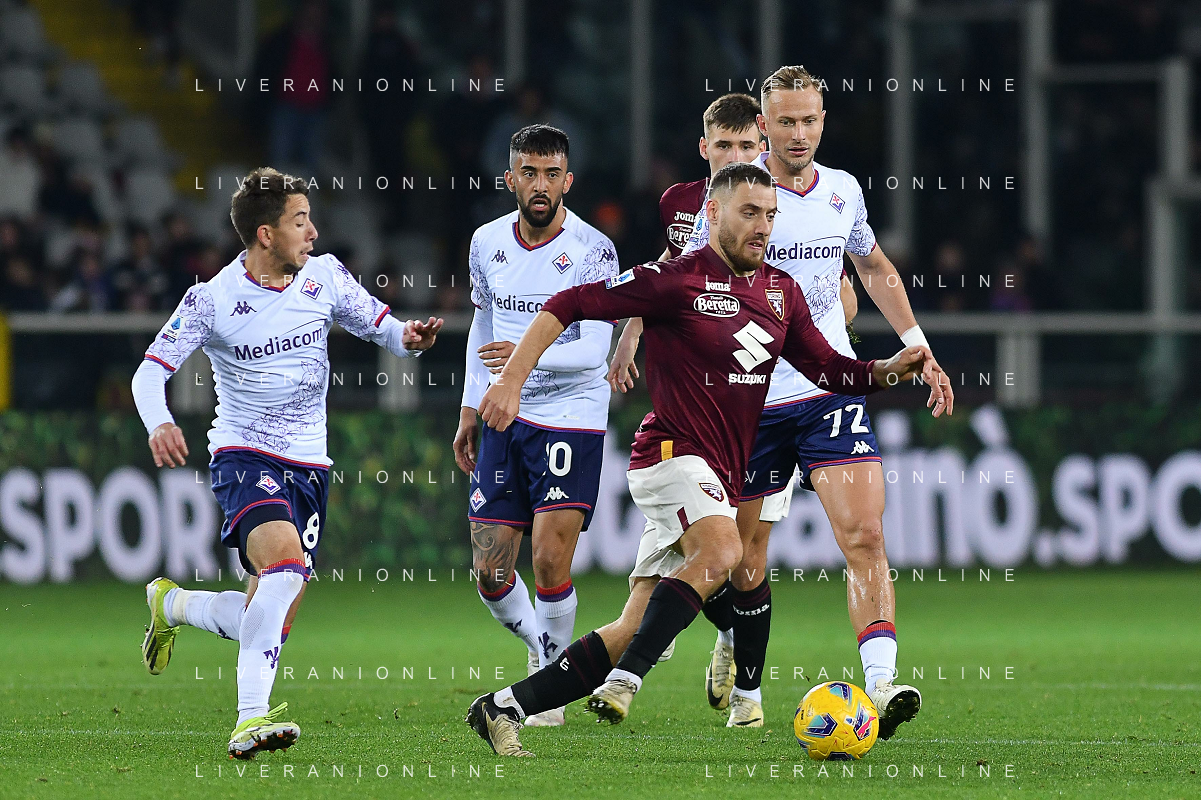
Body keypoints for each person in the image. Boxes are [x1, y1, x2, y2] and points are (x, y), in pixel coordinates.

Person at [465, 161, 946, 756]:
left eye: (770, 215)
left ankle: (504, 707)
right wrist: (512, 380)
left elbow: (827, 369)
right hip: (669, 454)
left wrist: (886, 370)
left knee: (633, 624)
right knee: (724, 551)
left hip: (717, 473)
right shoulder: (674, 280)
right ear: (713, 213)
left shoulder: (780, 292)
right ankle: (631, 677)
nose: (763, 226)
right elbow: (567, 303)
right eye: (750, 213)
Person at [614, 65, 954, 733]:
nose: (799, 134)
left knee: (864, 534)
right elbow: (672, 280)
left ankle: (881, 685)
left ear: (823, 121)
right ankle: (731, 645)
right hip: (748, 405)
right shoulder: (727, 203)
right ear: (762, 126)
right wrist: (636, 339)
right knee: (739, 564)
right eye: (786, 122)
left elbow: (872, 266)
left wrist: (918, 345)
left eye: (810, 120)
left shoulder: (843, 191)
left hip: (828, 392)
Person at [134, 167, 442, 759]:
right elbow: (149, 373)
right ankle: (250, 719)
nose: (313, 231)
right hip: (244, 454)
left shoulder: (324, 276)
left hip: (310, 465)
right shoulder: (212, 299)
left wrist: (410, 337)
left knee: (270, 612)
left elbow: (380, 325)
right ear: (266, 234)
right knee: (283, 566)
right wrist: (161, 422)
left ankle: (173, 604)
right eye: (300, 221)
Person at [608, 91, 861, 717]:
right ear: (705, 149)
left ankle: (742, 691)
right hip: (695, 417)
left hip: (766, 408)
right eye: (724, 146)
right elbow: (665, 274)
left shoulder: (779, 207)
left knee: (744, 558)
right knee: (688, 573)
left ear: (763, 147)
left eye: (748, 145)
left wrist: (823, 320)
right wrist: (632, 331)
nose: (737, 156)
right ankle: (703, 638)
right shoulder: (684, 206)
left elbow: (835, 282)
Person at [452, 125, 619, 727]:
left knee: (549, 560)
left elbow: (593, 350)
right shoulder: (485, 242)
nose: (541, 185)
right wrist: (470, 406)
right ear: (511, 179)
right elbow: (482, 328)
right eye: (529, 173)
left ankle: (548, 688)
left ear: (567, 181)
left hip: (571, 414)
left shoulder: (594, 249)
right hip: (503, 411)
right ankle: (548, 651)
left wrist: (523, 360)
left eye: (552, 174)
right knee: (490, 572)